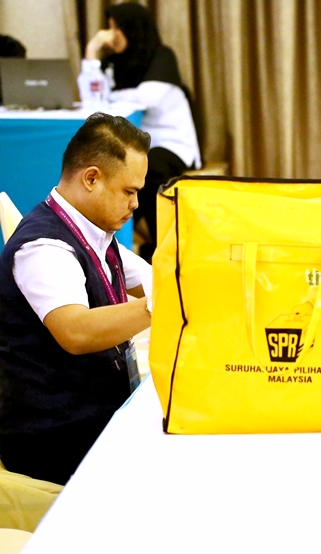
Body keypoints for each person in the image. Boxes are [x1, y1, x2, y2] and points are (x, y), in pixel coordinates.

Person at [0, 113, 154, 486]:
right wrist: (161, 304)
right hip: (57, 438)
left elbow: (155, 279)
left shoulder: (94, 232)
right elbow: (76, 332)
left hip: (96, 412)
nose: (136, 204)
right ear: (91, 178)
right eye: (129, 191)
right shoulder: (44, 247)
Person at [80, 1, 201, 262]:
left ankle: (167, 251)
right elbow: (92, 98)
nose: (110, 36)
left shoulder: (161, 55)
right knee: (117, 173)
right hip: (137, 147)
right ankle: (124, 250)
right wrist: (92, 51)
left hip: (171, 143)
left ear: (132, 29)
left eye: (116, 29)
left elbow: (148, 98)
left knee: (150, 172)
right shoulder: (115, 61)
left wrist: (109, 95)